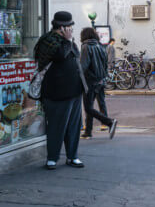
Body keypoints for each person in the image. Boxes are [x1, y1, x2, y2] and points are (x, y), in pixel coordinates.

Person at [33, 11, 86, 170]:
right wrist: (68, 40)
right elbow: (60, 55)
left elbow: (76, 54)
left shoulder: (67, 41)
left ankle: (72, 156)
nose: (71, 29)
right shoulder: (48, 40)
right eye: (70, 27)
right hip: (56, 92)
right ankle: (52, 158)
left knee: (73, 126)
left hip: (74, 91)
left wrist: (69, 41)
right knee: (57, 126)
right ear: (62, 27)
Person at [80, 28, 117, 140]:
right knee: (96, 104)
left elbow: (83, 66)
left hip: (90, 81)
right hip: (101, 80)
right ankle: (88, 132)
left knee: (88, 107)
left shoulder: (86, 47)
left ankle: (109, 122)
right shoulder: (100, 46)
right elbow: (105, 64)